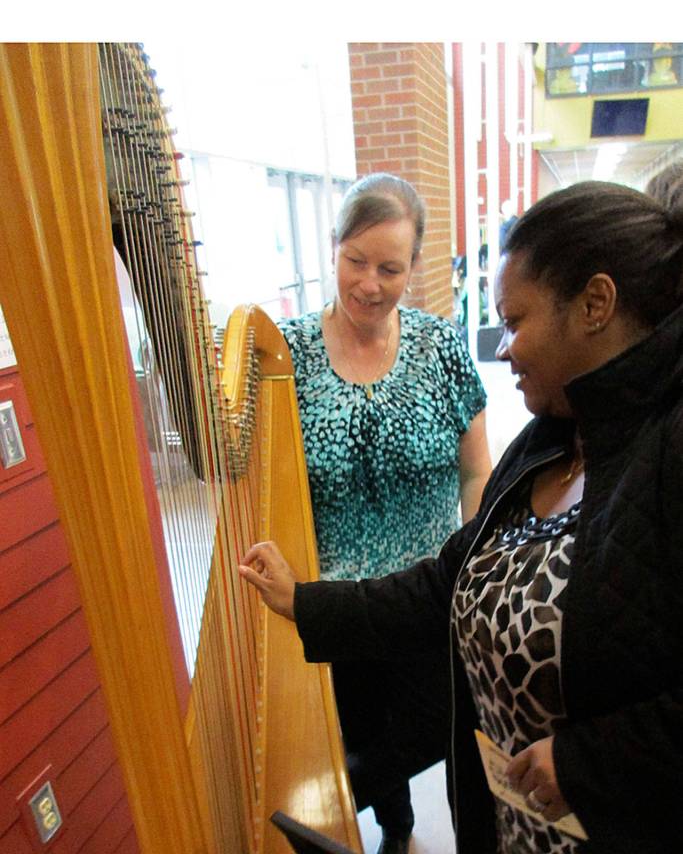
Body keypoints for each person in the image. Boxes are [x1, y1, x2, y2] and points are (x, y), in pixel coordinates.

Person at [242, 180, 683, 854]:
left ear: (594, 304)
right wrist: (303, 603)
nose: (502, 348)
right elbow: (449, 577)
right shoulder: (549, 439)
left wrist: (587, 761)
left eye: (514, 320)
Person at [278, 173, 492, 854]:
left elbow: (475, 468)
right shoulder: (286, 354)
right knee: (365, 726)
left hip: (428, 592)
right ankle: (394, 831)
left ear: (413, 267)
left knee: (435, 722)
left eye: (390, 268)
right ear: (332, 248)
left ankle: (326, 806)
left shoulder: (440, 347)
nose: (370, 283)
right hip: (338, 603)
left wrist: (471, 565)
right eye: (356, 261)